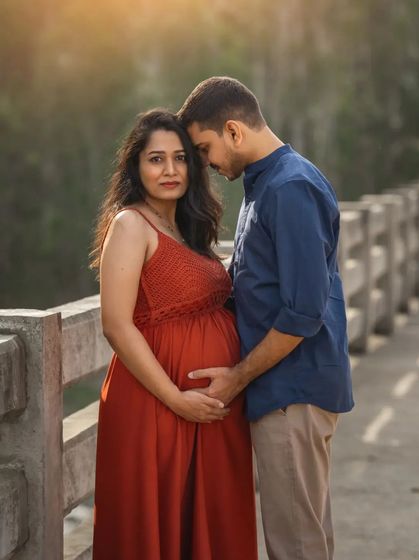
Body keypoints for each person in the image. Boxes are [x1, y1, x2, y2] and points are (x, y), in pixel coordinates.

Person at [178, 77, 354, 560]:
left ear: (233, 131)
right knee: (305, 537)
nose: (206, 164)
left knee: (295, 544)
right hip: (283, 391)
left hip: (291, 391)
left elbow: (303, 312)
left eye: (204, 148)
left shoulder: (290, 187)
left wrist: (235, 378)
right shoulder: (266, 185)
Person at [89, 109, 258, 560]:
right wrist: (176, 398)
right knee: (155, 526)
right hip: (156, 405)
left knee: (209, 524)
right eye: (156, 159)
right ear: (136, 167)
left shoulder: (189, 228)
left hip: (206, 410)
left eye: (180, 158)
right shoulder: (131, 226)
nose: (169, 170)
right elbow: (117, 325)